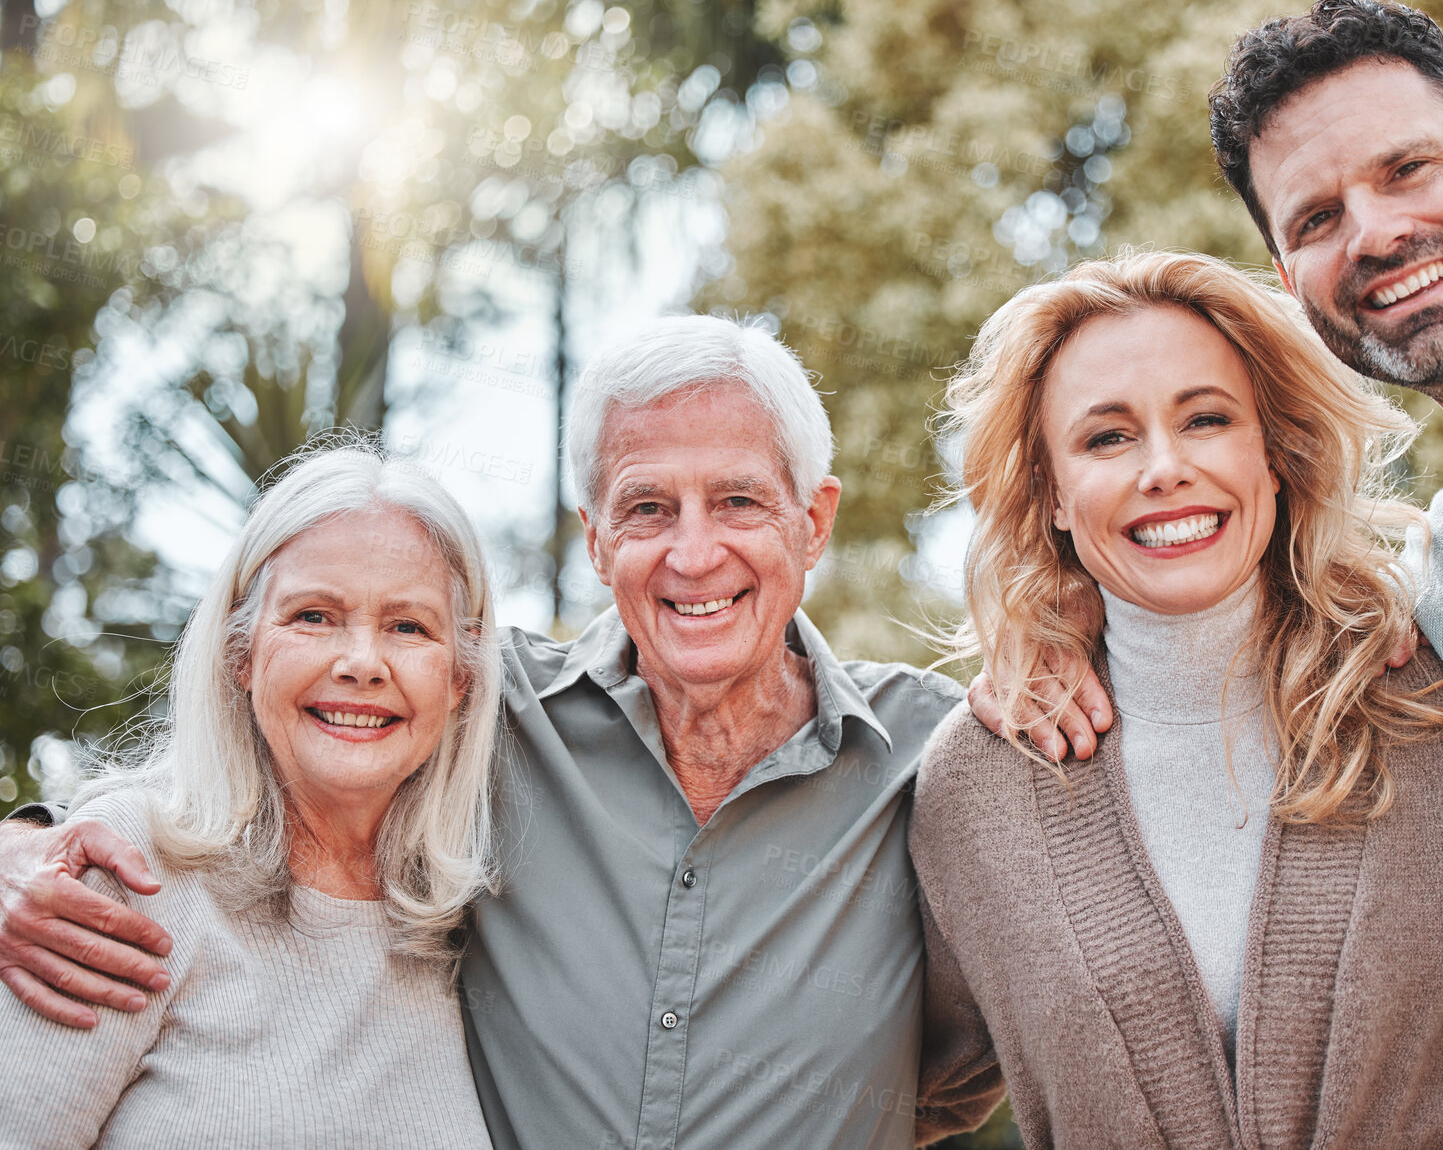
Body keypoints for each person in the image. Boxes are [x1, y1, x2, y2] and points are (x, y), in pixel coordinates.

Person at [975, 0, 1443, 1143]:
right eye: (1320, 215)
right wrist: (1058, 620)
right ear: (1292, 277)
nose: (1374, 233)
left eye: (1408, 167)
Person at [0, 316, 1002, 1148]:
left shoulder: (935, 757)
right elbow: (291, 749)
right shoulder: (485, 709)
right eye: (647, 508)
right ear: (596, 540)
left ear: (813, 520)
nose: (694, 553)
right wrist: (25, 846)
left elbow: (976, 1055)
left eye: (738, 500)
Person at [917, 248, 1443, 1147]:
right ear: (1050, 491)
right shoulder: (981, 778)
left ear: (1273, 453)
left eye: (1204, 419)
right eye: (1106, 436)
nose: (1163, 467)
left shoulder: (1438, 691)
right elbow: (881, 1084)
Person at [0, 445, 500, 1147]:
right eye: (314, 616)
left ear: (460, 677)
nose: (361, 662)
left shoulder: (474, 917)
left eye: (408, 626)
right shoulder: (131, 870)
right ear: (240, 651)